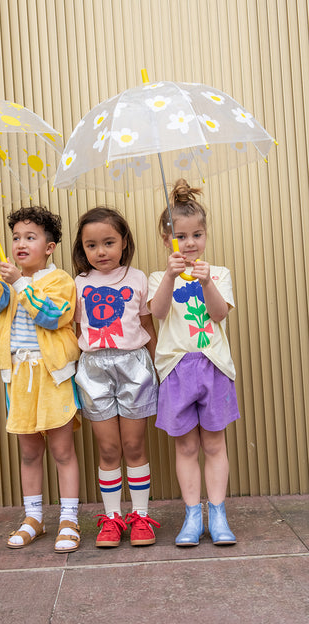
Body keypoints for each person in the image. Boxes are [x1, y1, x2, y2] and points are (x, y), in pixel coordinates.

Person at [0, 206, 82, 553]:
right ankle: (33, 517)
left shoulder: (61, 280)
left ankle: (69, 518)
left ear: (49, 247)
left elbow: (52, 317)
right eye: (16, 237)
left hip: (53, 377)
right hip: (19, 377)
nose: (20, 244)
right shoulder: (9, 280)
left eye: (30, 238)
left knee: (62, 451)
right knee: (29, 452)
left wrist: (20, 282)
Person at [148, 179, 240, 547]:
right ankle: (191, 515)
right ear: (168, 239)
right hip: (176, 370)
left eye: (197, 235)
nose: (190, 243)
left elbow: (219, 314)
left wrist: (206, 285)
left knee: (214, 444)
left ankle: (216, 513)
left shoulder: (217, 274)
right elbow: (157, 313)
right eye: (181, 236)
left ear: (205, 235)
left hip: (213, 365)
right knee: (185, 446)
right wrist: (171, 276)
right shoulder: (160, 277)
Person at [72, 206, 160, 548]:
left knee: (134, 445)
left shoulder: (138, 279)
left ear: (124, 242)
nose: (101, 251)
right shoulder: (78, 284)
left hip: (134, 366)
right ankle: (111, 519)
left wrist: (159, 367)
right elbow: (76, 329)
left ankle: (139, 517)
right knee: (109, 448)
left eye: (109, 242)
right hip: (94, 369)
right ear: (82, 248)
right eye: (91, 245)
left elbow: (148, 325)